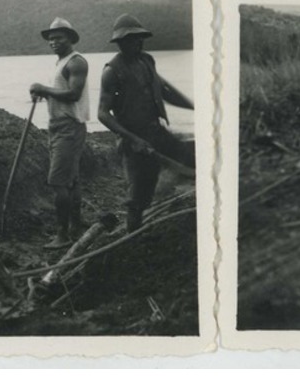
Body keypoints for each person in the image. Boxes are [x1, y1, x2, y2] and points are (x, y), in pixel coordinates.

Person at [97, 13, 195, 233]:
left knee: (190, 160)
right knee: (137, 196)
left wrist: (196, 106)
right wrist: (133, 139)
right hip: (133, 141)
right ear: (120, 43)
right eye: (130, 40)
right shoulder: (111, 71)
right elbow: (103, 114)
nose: (137, 43)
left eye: (139, 38)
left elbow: (165, 90)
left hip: (156, 131)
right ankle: (131, 238)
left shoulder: (146, 60)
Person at [28, 16, 89, 247]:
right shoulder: (61, 63)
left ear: (70, 39)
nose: (54, 42)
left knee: (58, 182)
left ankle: (62, 235)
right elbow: (60, 91)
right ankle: (75, 230)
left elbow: (74, 93)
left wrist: (43, 88)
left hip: (69, 127)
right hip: (57, 126)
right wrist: (43, 93)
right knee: (71, 181)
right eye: (51, 39)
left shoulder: (77, 62)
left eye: (59, 38)